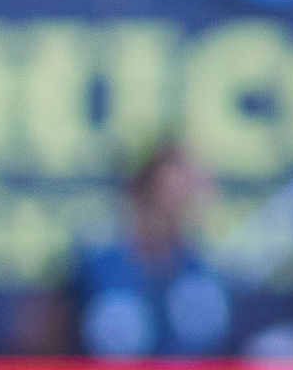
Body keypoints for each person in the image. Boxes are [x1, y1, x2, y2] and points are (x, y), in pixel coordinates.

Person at [66, 141, 232, 357]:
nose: (178, 208)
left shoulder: (205, 275)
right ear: (141, 194)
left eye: (188, 194)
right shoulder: (95, 269)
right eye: (166, 194)